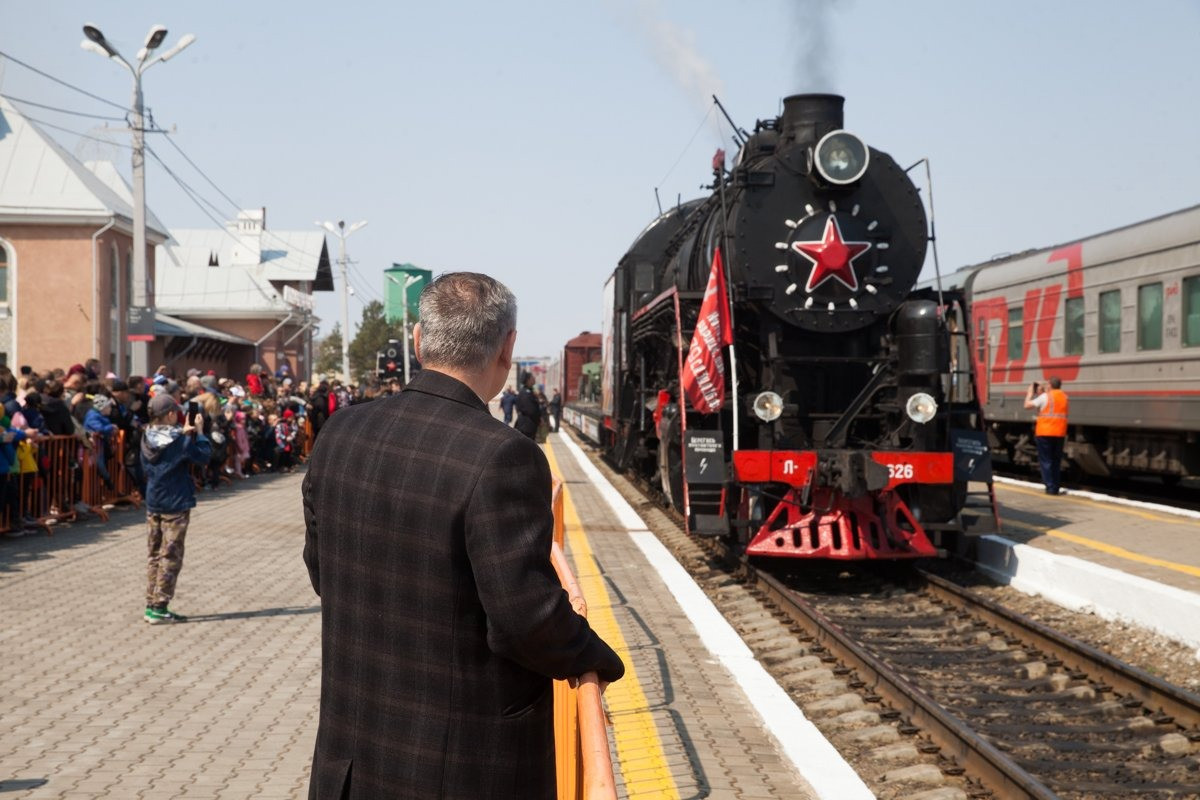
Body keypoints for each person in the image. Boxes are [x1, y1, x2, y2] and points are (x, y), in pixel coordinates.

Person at [302, 272, 624, 799]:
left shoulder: (342, 432)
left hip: (351, 764)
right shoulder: (504, 455)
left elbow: (324, 573)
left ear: (418, 341)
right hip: (465, 772)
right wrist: (592, 654)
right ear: (508, 347)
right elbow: (525, 620)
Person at [141, 393, 211, 624]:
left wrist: (184, 433)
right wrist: (199, 433)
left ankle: (151, 603)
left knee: (154, 554)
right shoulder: (179, 441)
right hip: (175, 502)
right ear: (170, 414)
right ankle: (160, 606)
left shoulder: (147, 437)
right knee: (171, 555)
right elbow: (203, 456)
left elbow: (164, 447)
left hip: (154, 501)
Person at [1024, 376, 1069, 495]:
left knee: (1046, 461)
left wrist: (1029, 393)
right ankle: (1055, 487)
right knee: (1056, 461)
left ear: (1049, 385)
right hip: (1059, 433)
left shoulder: (1045, 396)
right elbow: (1052, 404)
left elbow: (1027, 405)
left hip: (1045, 432)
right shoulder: (1064, 396)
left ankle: (1049, 487)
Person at [513, 371, 541, 440]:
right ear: (528, 380)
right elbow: (531, 411)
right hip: (527, 427)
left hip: (527, 425)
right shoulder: (526, 393)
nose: (534, 378)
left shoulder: (527, 391)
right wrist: (540, 418)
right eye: (532, 377)